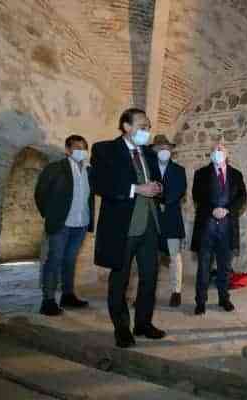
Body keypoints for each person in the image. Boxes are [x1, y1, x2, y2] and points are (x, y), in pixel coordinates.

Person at [90, 108, 165, 348]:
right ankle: (121, 328)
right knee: (120, 280)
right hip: (123, 225)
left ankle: (143, 323)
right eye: (142, 126)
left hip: (149, 224)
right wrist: (136, 189)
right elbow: (100, 183)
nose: (146, 131)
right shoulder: (105, 150)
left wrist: (158, 188)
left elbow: (158, 181)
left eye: (148, 127)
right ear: (126, 126)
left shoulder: (149, 154)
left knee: (150, 277)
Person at [35, 134, 94, 316]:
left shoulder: (89, 171)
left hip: (81, 222)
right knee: (54, 259)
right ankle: (48, 300)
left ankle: (67, 296)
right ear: (67, 150)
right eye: (77, 147)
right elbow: (40, 193)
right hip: (61, 223)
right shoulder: (55, 168)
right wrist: (51, 215)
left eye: (84, 148)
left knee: (70, 260)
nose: (81, 151)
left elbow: (89, 197)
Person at [191, 141, 246, 315]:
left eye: (221, 149)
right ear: (211, 154)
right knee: (203, 267)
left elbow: (242, 197)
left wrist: (227, 209)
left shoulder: (236, 174)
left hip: (227, 227)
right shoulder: (201, 173)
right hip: (206, 228)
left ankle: (224, 298)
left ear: (227, 154)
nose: (218, 152)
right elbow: (197, 196)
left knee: (225, 267)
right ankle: (200, 301)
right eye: (215, 150)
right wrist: (212, 210)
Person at [151, 134, 187, 307]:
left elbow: (179, 190)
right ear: (154, 150)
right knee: (150, 258)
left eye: (166, 147)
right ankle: (147, 293)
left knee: (174, 256)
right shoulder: (148, 168)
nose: (163, 150)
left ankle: (176, 291)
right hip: (152, 218)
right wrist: (158, 202)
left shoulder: (179, 170)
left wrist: (163, 201)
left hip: (171, 218)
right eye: (160, 147)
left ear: (171, 150)